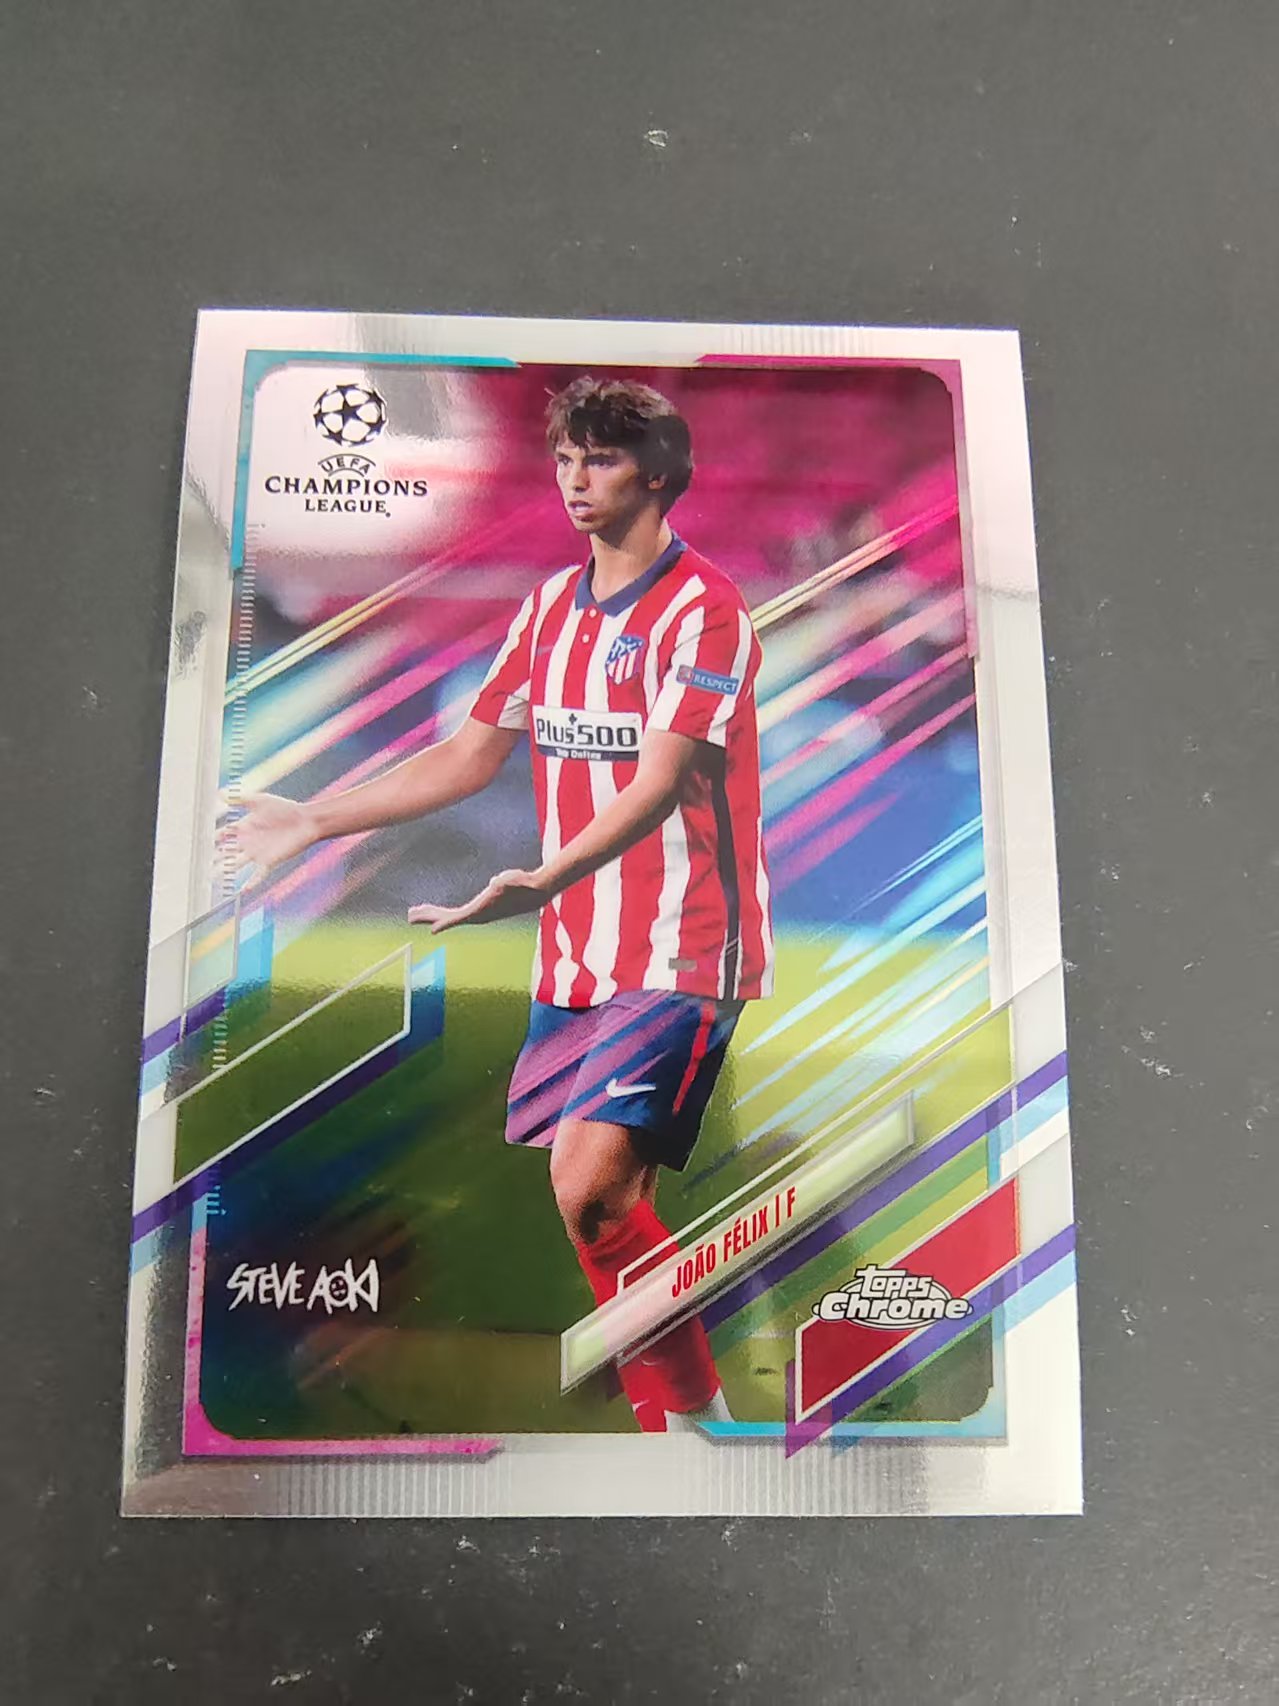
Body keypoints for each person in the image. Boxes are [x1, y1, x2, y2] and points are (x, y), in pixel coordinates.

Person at [229, 376, 774, 1433]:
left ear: (658, 475)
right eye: (564, 460)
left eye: (600, 460)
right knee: (595, 1208)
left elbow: (661, 779)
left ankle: (698, 1424)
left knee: (589, 1186)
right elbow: (468, 757)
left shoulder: (705, 612)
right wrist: (312, 820)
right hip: (575, 947)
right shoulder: (547, 608)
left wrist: (544, 876)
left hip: (683, 940)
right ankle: (685, 1418)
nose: (575, 480)